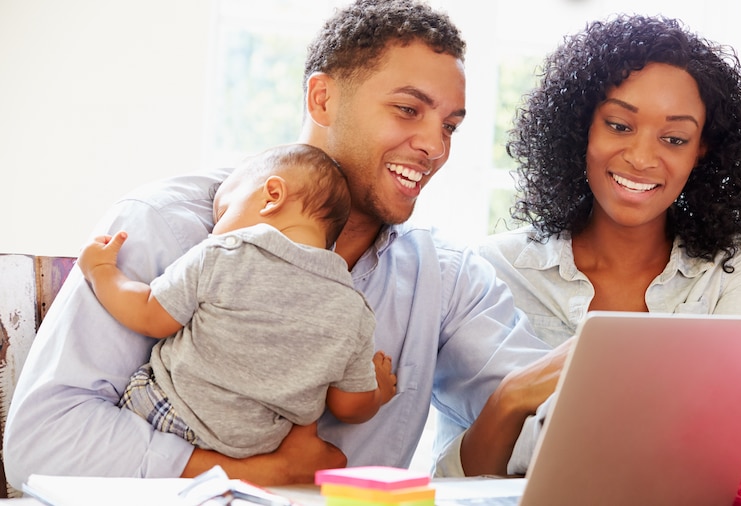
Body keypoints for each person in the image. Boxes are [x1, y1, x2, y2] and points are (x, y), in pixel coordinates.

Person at [4, 0, 561, 489]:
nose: (433, 146)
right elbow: (43, 440)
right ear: (322, 99)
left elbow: (543, 408)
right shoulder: (165, 227)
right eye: (408, 110)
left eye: (451, 126)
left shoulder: (445, 278)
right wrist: (249, 473)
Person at [477, 15, 741, 473]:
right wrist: (510, 399)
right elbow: (464, 477)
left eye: (675, 138)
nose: (642, 158)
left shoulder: (736, 265)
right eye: (620, 126)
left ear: (701, 150)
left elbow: (735, 449)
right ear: (582, 126)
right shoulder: (497, 270)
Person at [76, 143, 397, 459]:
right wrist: (379, 390)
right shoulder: (353, 310)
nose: (216, 227)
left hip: (168, 413)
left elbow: (150, 315)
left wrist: (102, 271)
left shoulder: (225, 253)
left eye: (223, 211)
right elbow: (349, 406)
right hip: (254, 450)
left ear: (272, 196)